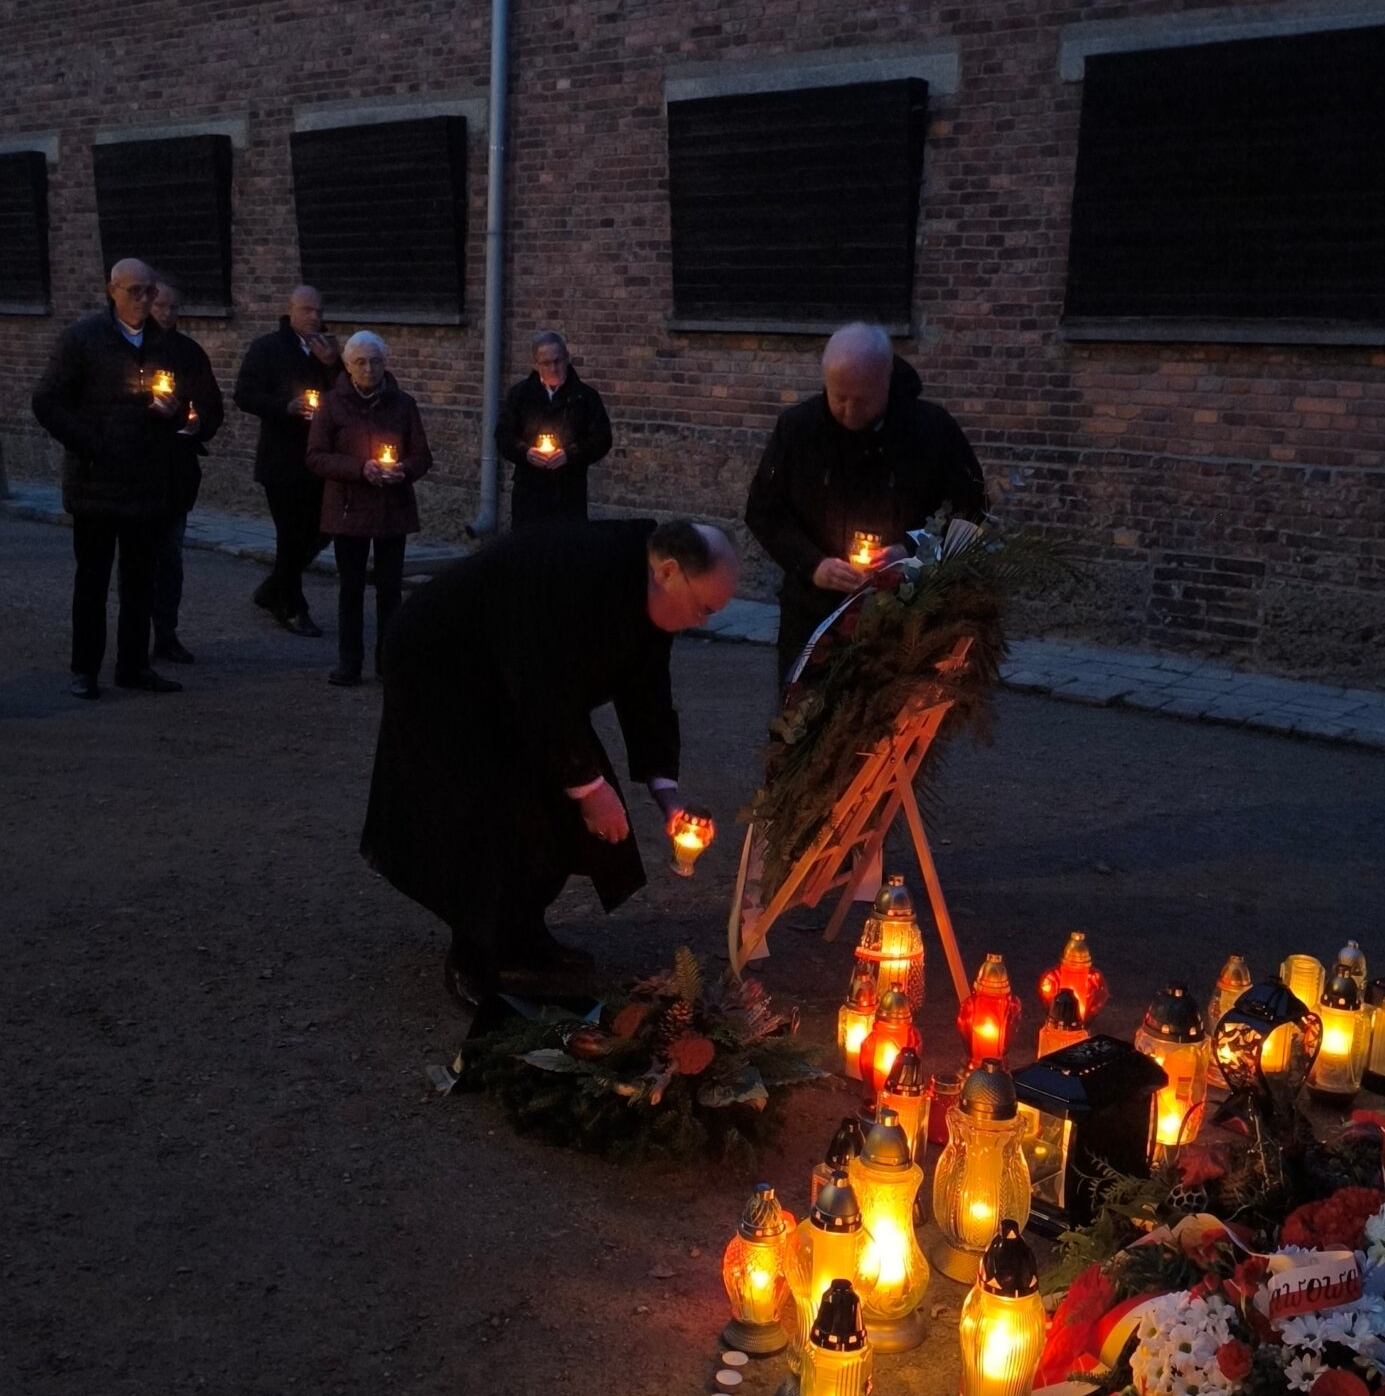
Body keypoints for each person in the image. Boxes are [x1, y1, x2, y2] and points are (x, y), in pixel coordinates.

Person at [362, 516, 737, 1017]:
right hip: (443, 670)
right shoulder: (580, 572)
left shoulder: (649, 591)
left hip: (517, 688)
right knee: (484, 810)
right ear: (668, 572)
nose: (703, 622)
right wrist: (588, 787)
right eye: (703, 607)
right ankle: (473, 955)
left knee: (550, 812)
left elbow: (647, 692)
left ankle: (522, 932)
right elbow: (539, 683)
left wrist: (667, 795)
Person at [745, 322, 987, 688]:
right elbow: (765, 510)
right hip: (813, 615)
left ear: (886, 381)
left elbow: (969, 511)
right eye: (839, 397)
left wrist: (911, 552)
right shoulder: (798, 430)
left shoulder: (931, 431)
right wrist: (812, 564)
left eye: (863, 399)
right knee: (803, 716)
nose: (849, 410)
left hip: (906, 616)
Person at [31, 257, 192, 695]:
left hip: (146, 480)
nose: (143, 299)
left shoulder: (164, 344)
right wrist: (93, 445)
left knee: (140, 580)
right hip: (96, 482)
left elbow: (182, 402)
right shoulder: (82, 339)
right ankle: (85, 668)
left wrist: (174, 412)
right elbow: (47, 402)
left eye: (149, 291)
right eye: (134, 291)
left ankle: (133, 665)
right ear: (112, 291)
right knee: (93, 580)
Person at [306, 330, 433, 688]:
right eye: (360, 362)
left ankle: (387, 661)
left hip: (392, 507)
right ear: (347, 366)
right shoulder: (332, 405)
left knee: (390, 590)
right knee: (351, 588)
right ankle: (350, 662)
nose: (368, 369)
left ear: (385, 363)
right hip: (349, 508)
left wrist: (403, 469)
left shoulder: (403, 404)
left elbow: (422, 456)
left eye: (375, 361)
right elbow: (316, 456)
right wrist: (360, 468)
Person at [234, 285, 340, 636]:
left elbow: (344, 394)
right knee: (291, 534)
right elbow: (245, 395)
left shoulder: (327, 349)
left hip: (320, 457)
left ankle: (272, 589)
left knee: (321, 531)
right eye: (307, 311)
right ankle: (292, 606)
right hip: (281, 458)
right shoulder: (268, 348)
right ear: (290, 310)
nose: (315, 318)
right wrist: (285, 406)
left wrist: (332, 364)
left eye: (319, 311)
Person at [148, 274, 225, 665]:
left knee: (171, 557)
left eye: (173, 307)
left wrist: (199, 423)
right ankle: (135, 635)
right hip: (138, 469)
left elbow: (212, 404)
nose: (166, 313)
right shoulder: (131, 350)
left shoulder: (189, 353)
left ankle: (166, 632)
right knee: (138, 561)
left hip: (177, 469)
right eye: (159, 306)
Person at [494, 329, 613, 529]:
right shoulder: (520, 396)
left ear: (567, 358)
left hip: (568, 493)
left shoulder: (584, 397)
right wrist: (526, 453)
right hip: (530, 493)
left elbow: (602, 439)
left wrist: (570, 454)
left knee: (565, 544)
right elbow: (503, 436)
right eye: (546, 363)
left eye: (558, 361)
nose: (553, 368)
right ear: (535, 364)